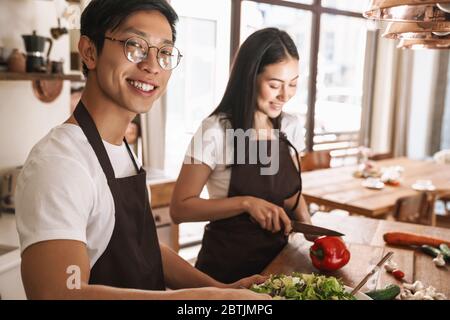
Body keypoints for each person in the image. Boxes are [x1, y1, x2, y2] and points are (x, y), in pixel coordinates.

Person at [15, 0, 269, 300]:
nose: (151, 65)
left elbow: (143, 248)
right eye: (134, 45)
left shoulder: (123, 151)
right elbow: (57, 293)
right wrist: (205, 301)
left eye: (164, 52)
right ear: (89, 51)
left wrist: (218, 288)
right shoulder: (60, 162)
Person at [170, 28, 316, 284]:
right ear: (250, 77)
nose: (285, 95)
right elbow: (180, 209)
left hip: (278, 268)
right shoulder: (214, 130)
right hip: (225, 272)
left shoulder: (289, 127)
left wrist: (310, 227)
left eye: (292, 84)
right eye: (274, 85)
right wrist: (246, 203)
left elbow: (290, 193)